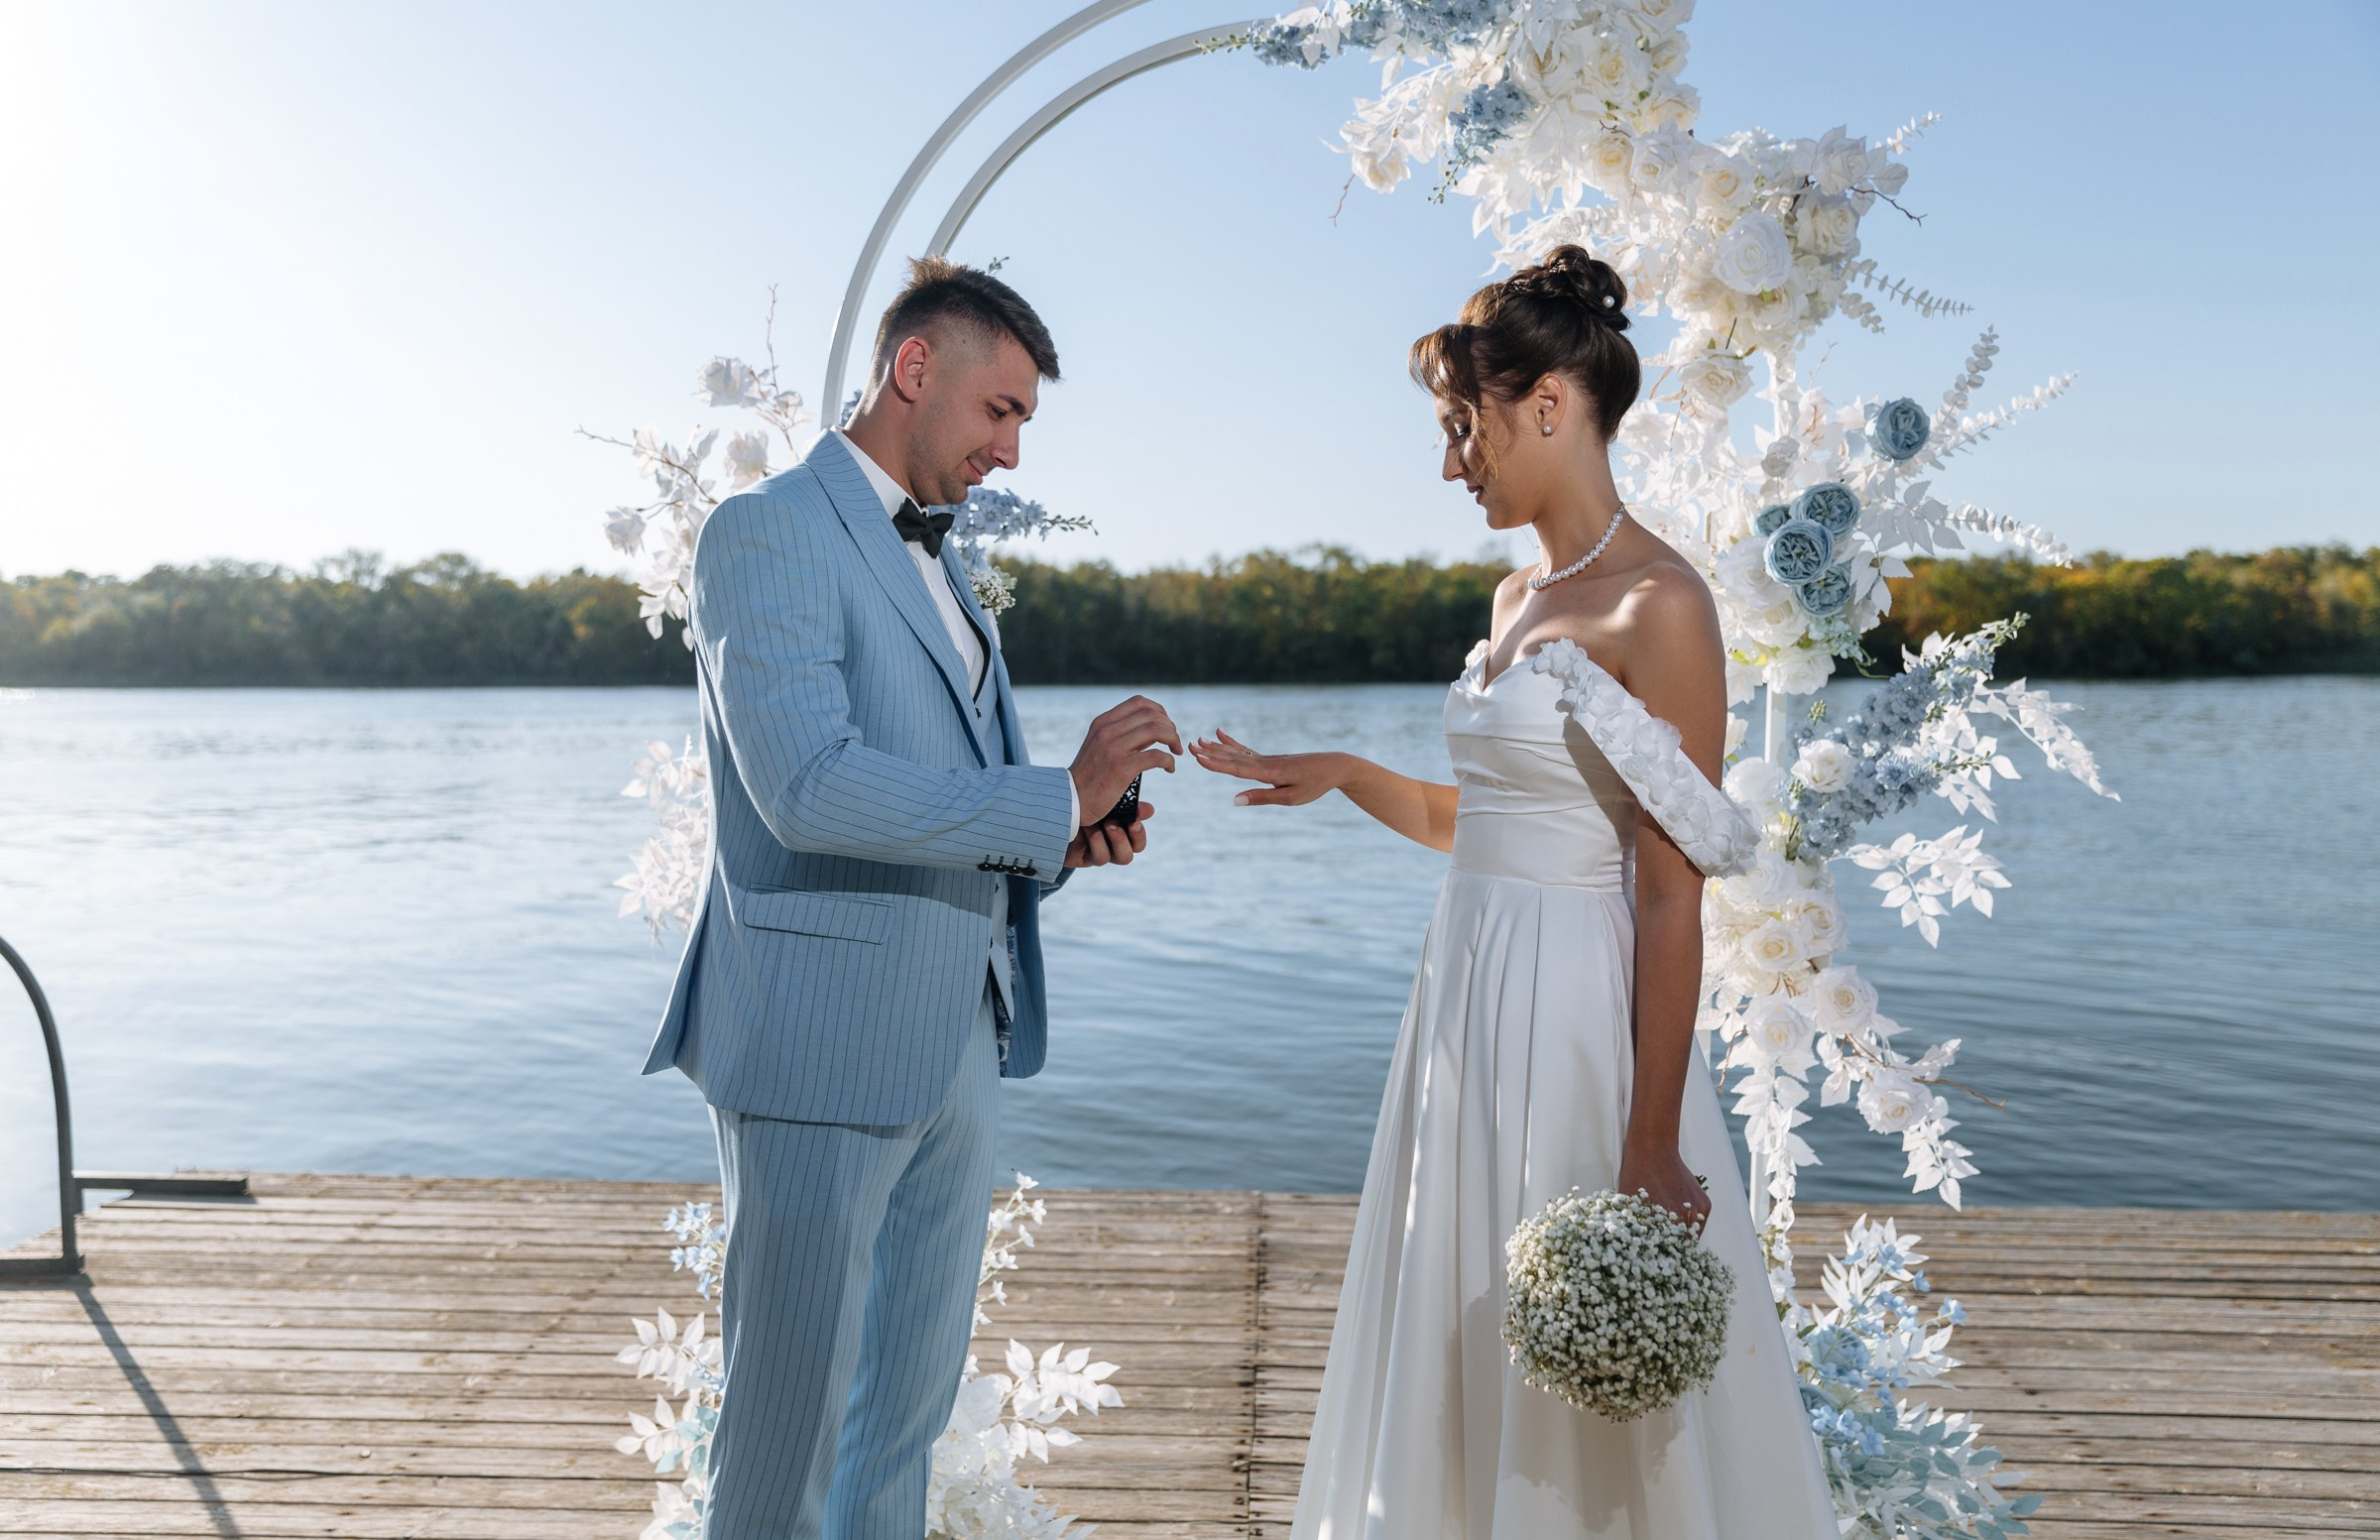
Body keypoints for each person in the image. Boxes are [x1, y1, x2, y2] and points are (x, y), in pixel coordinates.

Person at [1192, 245, 1837, 1538]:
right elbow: (1481, 825)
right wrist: (1346, 773)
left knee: (1582, 1352)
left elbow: (1669, 895)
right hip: (1462, 1007)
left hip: (1572, 1022)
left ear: (1547, 404)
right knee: (1456, 1318)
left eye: (1461, 428)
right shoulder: (1515, 598)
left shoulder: (1661, 606)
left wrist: (1649, 1138)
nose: (1452, 465)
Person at [642, 256, 1180, 1539]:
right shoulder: (765, 531)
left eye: (1024, 422)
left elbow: (952, 788)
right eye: (1000, 410)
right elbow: (806, 787)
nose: (1010, 449)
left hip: (960, 1040)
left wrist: (1065, 837)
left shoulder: (949, 565)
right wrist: (1050, 796)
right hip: (818, 1045)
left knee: (900, 1432)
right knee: (787, 1444)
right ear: (913, 367)